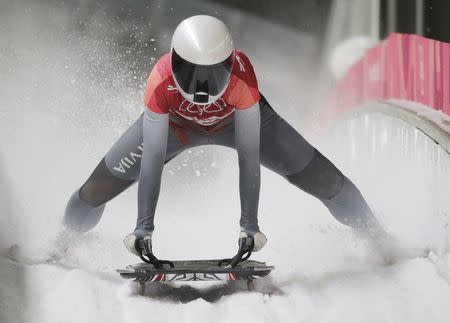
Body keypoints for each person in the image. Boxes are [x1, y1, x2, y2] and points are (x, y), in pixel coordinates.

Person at [64, 15, 384, 260]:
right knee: (95, 189)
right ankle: (64, 242)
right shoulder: (160, 82)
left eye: (214, 73)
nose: (202, 86)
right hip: (177, 127)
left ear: (230, 64)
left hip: (238, 123)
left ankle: (380, 240)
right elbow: (151, 162)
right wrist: (143, 228)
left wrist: (249, 227)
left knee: (326, 181)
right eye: (191, 73)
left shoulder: (242, 80)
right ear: (174, 62)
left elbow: (248, 159)